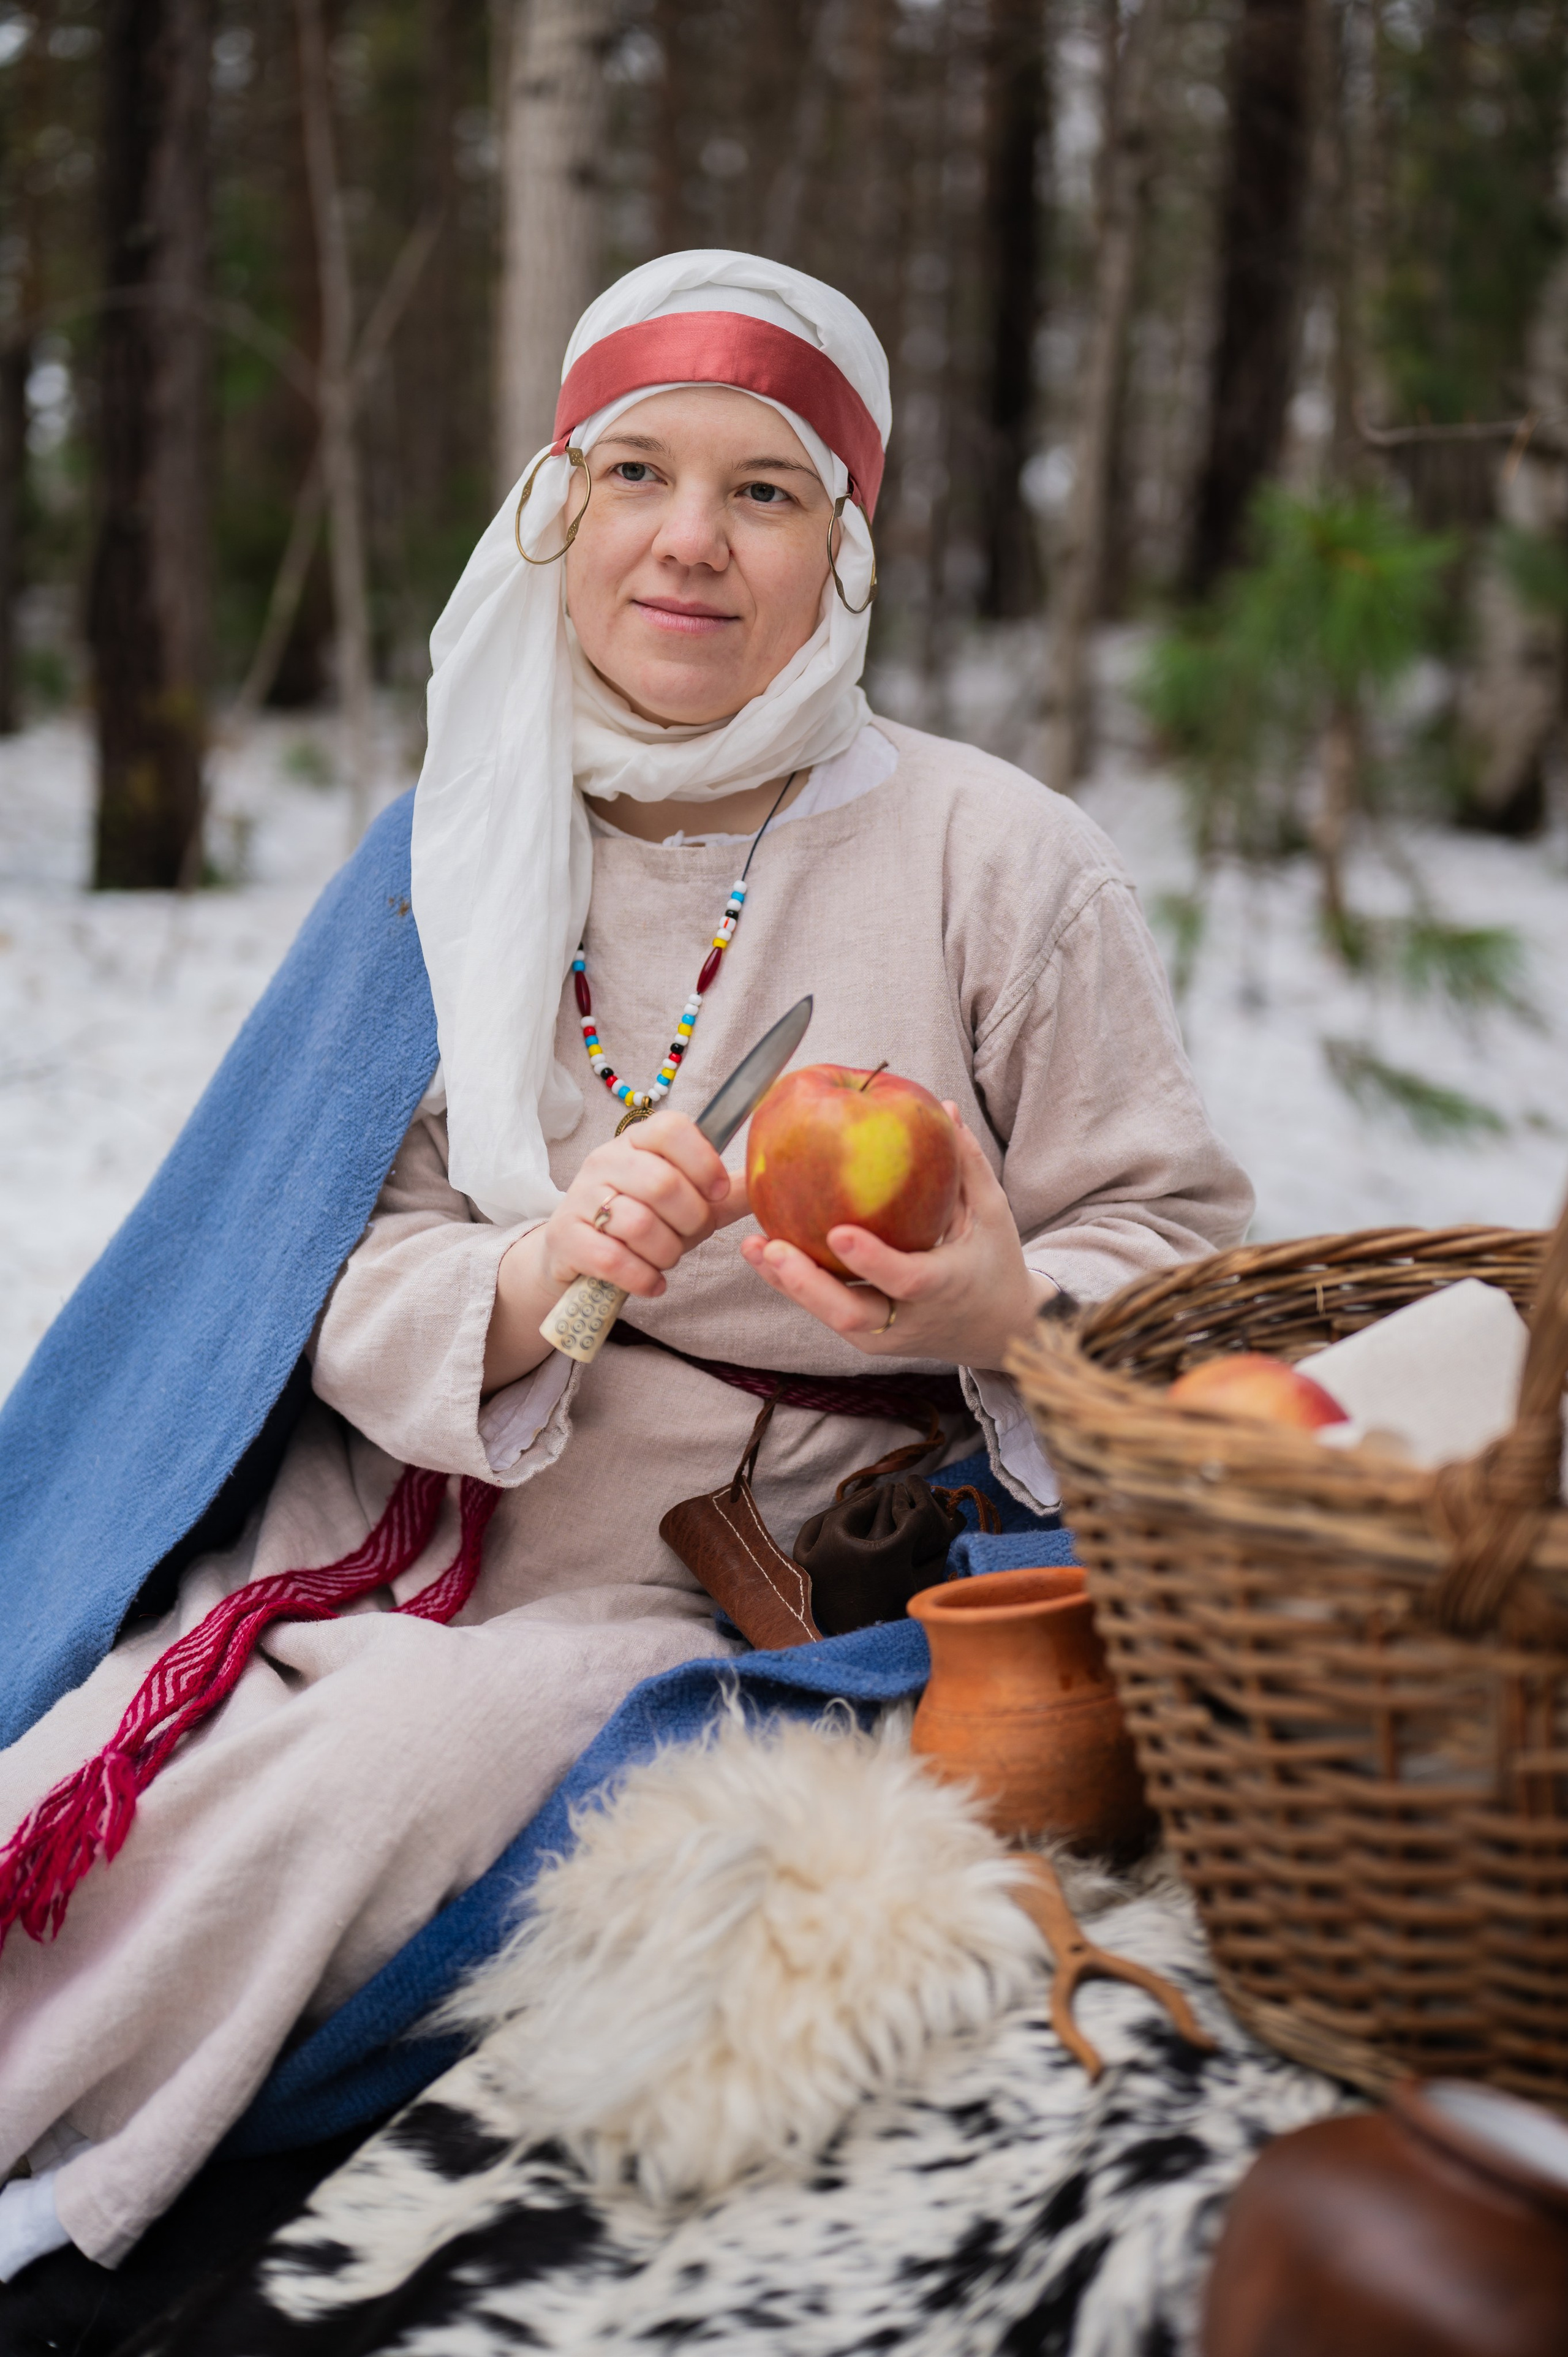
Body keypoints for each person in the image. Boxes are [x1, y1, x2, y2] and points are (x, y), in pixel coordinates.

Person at [0, 249, 1251, 2279]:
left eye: (765, 491)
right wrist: (525, 1275)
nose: (688, 543)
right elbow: (298, 1256)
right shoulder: (459, 841)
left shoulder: (997, 858)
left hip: (714, 1566)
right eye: (637, 472)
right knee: (95, 1752)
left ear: (844, 552)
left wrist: (1000, 1313)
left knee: (383, 1773)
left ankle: (79, 2211)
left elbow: (1184, 1257)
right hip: (376, 1507)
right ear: (553, 508)